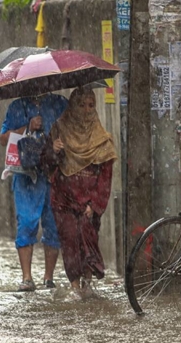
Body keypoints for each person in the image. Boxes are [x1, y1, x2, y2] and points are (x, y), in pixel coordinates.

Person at [41, 87, 117, 297]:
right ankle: (74, 287)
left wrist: (95, 205)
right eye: (81, 105)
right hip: (63, 199)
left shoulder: (103, 140)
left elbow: (105, 178)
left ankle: (88, 283)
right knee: (69, 241)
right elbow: (46, 165)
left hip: (88, 203)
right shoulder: (58, 130)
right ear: (72, 107)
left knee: (87, 239)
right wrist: (53, 151)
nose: (86, 110)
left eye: (91, 105)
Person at [0, 93, 68, 291]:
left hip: (53, 174)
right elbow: (3, 138)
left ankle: (49, 277)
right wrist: (27, 128)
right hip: (25, 177)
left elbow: (72, 128)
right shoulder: (16, 106)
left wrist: (55, 141)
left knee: (53, 224)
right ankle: (27, 277)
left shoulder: (59, 103)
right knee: (27, 222)